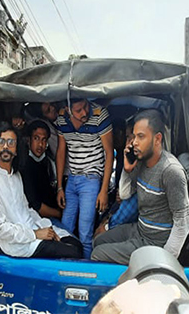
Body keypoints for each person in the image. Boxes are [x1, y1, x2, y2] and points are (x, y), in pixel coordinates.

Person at [91, 109, 189, 265]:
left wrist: (164, 262)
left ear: (157, 139)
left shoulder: (170, 171)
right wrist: (127, 169)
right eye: (134, 136)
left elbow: (183, 223)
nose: (134, 142)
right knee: (98, 241)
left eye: (141, 137)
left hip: (155, 242)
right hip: (139, 229)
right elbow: (124, 194)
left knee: (97, 253)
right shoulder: (141, 161)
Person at [0, 123, 82, 259]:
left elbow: (27, 210)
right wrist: (35, 234)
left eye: (11, 142)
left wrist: (47, 228)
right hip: (18, 244)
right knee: (73, 252)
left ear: (17, 150)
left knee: (75, 244)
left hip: (33, 229)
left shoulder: (16, 176)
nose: (5, 146)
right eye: (2, 142)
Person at [55, 98, 114, 258]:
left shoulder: (99, 114)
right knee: (65, 229)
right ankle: (66, 267)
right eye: (79, 110)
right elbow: (61, 152)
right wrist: (60, 187)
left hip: (91, 179)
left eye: (86, 106)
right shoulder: (61, 118)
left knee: (85, 233)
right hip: (72, 179)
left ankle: (85, 272)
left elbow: (110, 153)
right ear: (68, 110)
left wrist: (104, 190)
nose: (84, 112)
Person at [20, 120, 61, 221]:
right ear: (29, 140)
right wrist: (60, 214)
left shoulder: (48, 162)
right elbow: (36, 206)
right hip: (38, 218)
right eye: (36, 138)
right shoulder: (25, 166)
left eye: (44, 140)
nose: (40, 144)